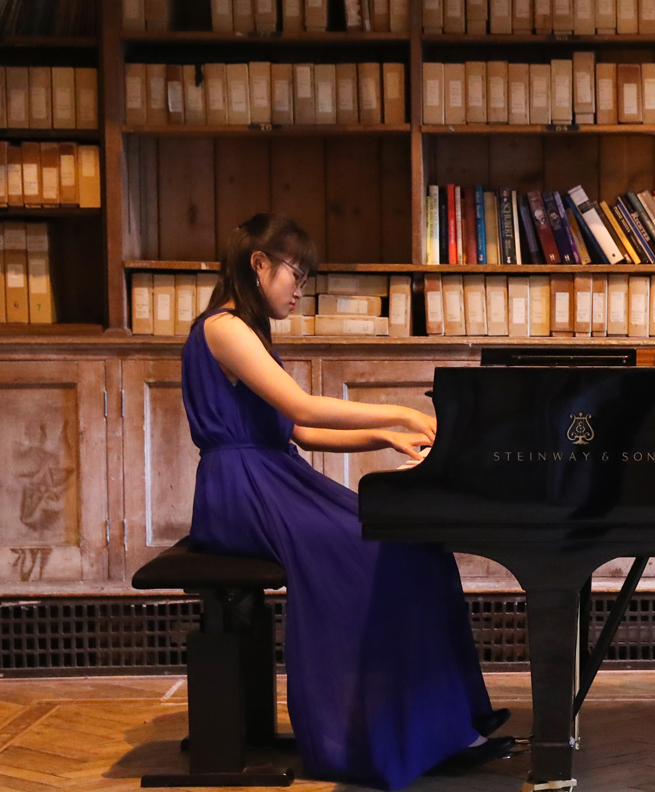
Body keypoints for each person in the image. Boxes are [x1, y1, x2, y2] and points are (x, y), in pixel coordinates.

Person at [181, 213, 512, 789]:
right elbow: (306, 411)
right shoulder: (224, 327)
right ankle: (372, 735)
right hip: (241, 491)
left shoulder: (248, 334)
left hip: (272, 476)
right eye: (295, 272)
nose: (300, 287)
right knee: (376, 556)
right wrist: (402, 413)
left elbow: (299, 434)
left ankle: (446, 726)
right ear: (258, 265)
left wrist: (385, 436)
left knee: (416, 546)